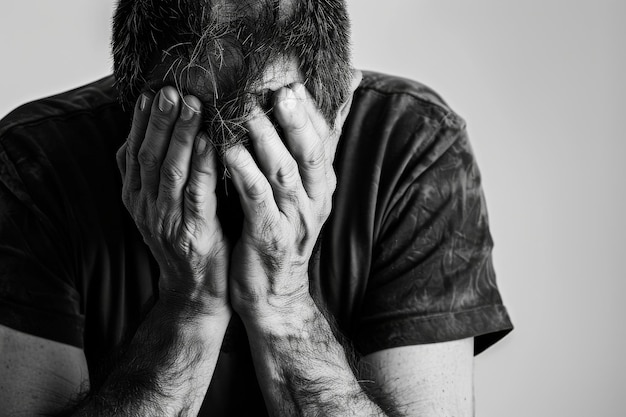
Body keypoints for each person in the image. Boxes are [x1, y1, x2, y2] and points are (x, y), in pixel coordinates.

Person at [0, 0, 513, 415]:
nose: (230, 173)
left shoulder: (413, 146)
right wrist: (188, 305)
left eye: (261, 132)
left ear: (338, 105)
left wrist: (284, 305)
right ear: (131, 101)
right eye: (195, 126)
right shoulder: (30, 163)